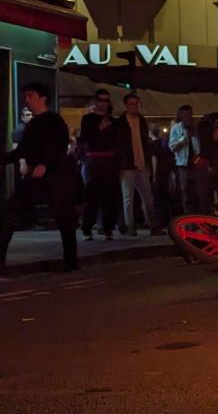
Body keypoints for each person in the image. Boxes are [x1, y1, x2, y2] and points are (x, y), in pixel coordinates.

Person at [0, 83, 78, 272]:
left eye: (30, 96)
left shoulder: (55, 121)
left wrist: (45, 164)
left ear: (42, 98)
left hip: (54, 176)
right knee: (8, 212)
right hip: (36, 176)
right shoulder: (33, 124)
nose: (27, 100)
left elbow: (59, 147)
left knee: (64, 217)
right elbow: (23, 150)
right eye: (26, 96)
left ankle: (70, 260)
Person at [115, 92, 161, 236]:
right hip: (128, 164)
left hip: (140, 163)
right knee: (129, 197)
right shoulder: (121, 123)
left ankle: (152, 225)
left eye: (136, 104)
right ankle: (131, 227)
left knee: (147, 197)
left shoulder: (141, 121)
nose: (135, 107)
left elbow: (145, 144)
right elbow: (119, 146)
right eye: (132, 104)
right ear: (126, 105)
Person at [77, 89, 120, 240]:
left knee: (110, 197)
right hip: (94, 161)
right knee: (91, 196)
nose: (103, 103)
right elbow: (84, 139)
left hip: (109, 161)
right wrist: (99, 129)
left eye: (106, 100)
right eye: (100, 100)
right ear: (96, 101)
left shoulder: (113, 122)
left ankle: (108, 228)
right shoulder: (88, 119)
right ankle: (87, 229)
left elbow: (117, 142)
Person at [168, 104, 211, 214]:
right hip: (183, 166)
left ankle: (203, 221)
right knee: (186, 196)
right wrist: (185, 137)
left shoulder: (196, 127)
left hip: (198, 166)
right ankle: (189, 222)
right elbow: (172, 148)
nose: (188, 117)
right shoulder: (176, 128)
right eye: (185, 114)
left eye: (190, 114)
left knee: (202, 196)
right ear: (181, 115)